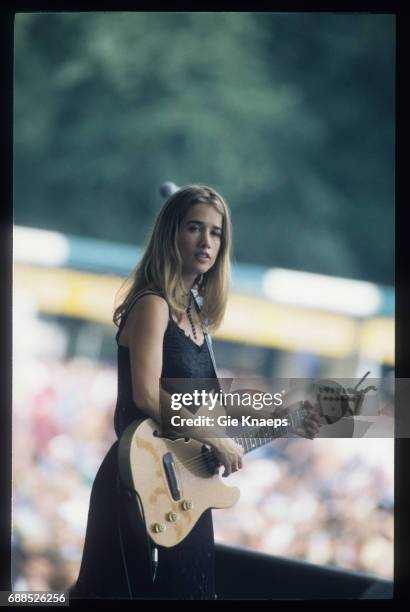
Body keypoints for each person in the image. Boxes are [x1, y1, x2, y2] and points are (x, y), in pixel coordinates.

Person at [69, 184, 320, 600]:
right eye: (194, 228)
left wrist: (283, 416)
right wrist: (213, 437)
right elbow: (147, 396)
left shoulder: (198, 317)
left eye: (216, 233)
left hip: (186, 488)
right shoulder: (153, 304)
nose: (207, 241)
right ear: (172, 234)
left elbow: (211, 410)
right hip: (140, 479)